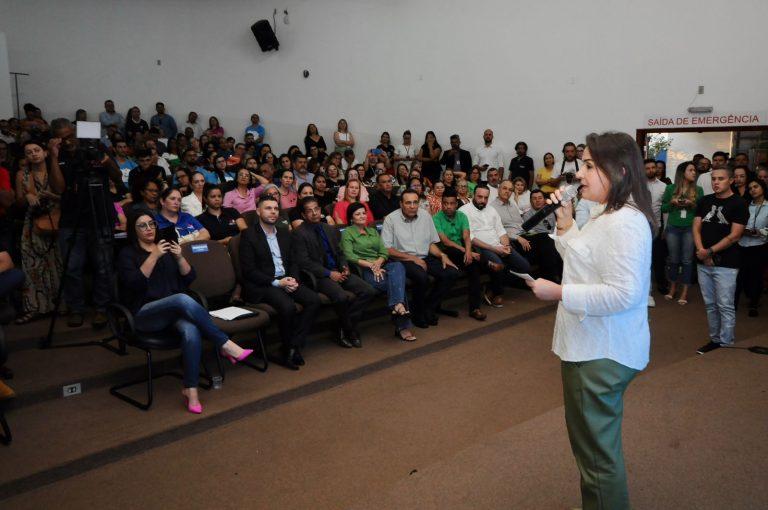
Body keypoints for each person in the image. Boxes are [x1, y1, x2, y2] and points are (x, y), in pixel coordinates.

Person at [525, 131, 656, 510]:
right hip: (592, 345)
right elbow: (585, 262)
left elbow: (623, 294)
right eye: (581, 164)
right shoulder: (608, 214)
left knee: (597, 461)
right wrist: (564, 223)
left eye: (587, 165)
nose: (578, 174)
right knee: (593, 454)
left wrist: (560, 293)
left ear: (616, 171)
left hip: (600, 354)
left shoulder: (624, 222)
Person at [117, 213, 253, 414]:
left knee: (191, 330)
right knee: (181, 299)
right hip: (144, 315)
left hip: (172, 313)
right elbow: (134, 284)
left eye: (151, 224)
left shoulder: (165, 247)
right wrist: (154, 255)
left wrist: (179, 256)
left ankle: (191, 389)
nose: (148, 228)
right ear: (134, 230)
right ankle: (224, 343)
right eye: (142, 225)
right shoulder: (127, 254)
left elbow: (189, 277)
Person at [48, 119, 118, 328]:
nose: (68, 142)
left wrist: (104, 160)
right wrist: (53, 155)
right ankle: (76, 308)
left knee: (103, 265)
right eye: (62, 139)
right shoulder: (58, 156)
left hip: (100, 214)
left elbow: (117, 177)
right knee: (72, 267)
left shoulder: (96, 148)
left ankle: (102, 309)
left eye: (70, 136)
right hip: (72, 218)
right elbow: (59, 188)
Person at [239, 196, 321, 370]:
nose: (273, 212)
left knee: (313, 300)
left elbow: (294, 261)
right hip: (264, 285)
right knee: (288, 306)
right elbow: (249, 271)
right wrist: (278, 283)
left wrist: (292, 278)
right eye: (268, 208)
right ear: (258, 211)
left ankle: (292, 346)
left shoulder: (284, 233)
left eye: (276, 208)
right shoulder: (248, 235)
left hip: (286, 279)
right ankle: (290, 348)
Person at [293, 197, 377, 347]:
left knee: (368, 291)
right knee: (341, 296)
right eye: (309, 211)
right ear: (303, 215)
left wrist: (344, 266)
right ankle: (349, 331)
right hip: (319, 276)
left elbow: (340, 253)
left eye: (316, 209)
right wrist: (329, 274)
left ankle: (341, 326)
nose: (314, 213)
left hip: (339, 271)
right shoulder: (299, 234)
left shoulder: (329, 229)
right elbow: (304, 262)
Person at [382, 190, 460, 328]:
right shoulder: (390, 219)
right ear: (401, 204)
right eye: (408, 203)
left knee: (451, 272)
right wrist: (412, 258)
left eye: (415, 202)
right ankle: (418, 314)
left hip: (425, 256)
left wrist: (442, 255)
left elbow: (431, 243)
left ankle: (428, 307)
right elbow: (387, 249)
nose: (412, 206)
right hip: (402, 259)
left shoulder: (425, 216)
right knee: (421, 276)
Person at [341, 202, 416, 341]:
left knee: (398, 266)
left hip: (381, 265)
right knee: (397, 285)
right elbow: (349, 256)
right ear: (351, 218)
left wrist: (378, 262)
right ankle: (402, 325)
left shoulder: (373, 231)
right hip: (364, 269)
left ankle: (398, 306)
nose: (362, 216)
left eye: (363, 213)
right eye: (357, 214)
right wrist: (371, 265)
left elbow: (383, 251)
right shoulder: (348, 233)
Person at [693, 167, 748, 354]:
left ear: (731, 180)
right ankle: (715, 339)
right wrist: (701, 251)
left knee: (724, 304)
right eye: (713, 179)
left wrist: (709, 251)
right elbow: (696, 228)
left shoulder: (739, 203)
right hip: (703, 259)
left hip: (727, 263)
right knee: (710, 304)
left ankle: (726, 341)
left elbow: (735, 235)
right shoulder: (705, 200)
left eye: (721, 179)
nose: (716, 182)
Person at [14, 140, 63, 324]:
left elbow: (65, 196)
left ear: (45, 152)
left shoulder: (54, 170)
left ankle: (60, 305)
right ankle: (35, 307)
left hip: (55, 221)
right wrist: (26, 196)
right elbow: (17, 203)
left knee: (57, 263)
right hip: (32, 223)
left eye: (36, 150)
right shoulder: (21, 174)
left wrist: (52, 196)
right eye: (29, 152)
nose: (33, 154)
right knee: (32, 265)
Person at [461, 185, 530, 307]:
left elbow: (501, 231)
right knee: (499, 266)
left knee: (524, 267)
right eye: (479, 197)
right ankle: (497, 292)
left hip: (499, 245)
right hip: (482, 248)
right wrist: (495, 249)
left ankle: (492, 285)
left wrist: (506, 246)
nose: (483, 200)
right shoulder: (464, 211)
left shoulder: (491, 210)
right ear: (473, 196)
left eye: (485, 198)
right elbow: (470, 238)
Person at [433, 188, 487, 320]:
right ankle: (487, 263)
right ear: (442, 203)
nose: (448, 206)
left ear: (456, 204)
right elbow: (445, 242)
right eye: (446, 203)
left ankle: (474, 308)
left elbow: (466, 237)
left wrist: (469, 252)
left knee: (473, 268)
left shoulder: (462, 216)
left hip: (461, 251)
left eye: (452, 203)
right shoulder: (436, 218)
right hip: (445, 253)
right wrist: (468, 252)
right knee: (460, 253)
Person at [661, 161, 703, 305]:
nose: (694, 173)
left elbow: (702, 211)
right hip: (673, 227)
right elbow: (663, 209)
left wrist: (692, 204)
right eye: (691, 170)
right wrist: (672, 203)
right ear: (682, 172)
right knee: (673, 259)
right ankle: (672, 288)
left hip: (690, 229)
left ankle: (684, 292)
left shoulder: (699, 189)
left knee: (686, 261)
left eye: (694, 170)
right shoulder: (670, 188)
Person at [736, 178, 768, 317]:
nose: (753, 190)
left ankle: (754, 304)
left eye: (756, 186)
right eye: (750, 188)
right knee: (738, 276)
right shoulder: (745, 205)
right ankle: (733, 303)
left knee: (756, 276)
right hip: (742, 244)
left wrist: (758, 232)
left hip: (759, 246)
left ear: (763, 188)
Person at [645, 158, 669, 304]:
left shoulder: (663, 187)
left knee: (657, 257)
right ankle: (645, 289)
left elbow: (665, 210)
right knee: (642, 258)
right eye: (647, 168)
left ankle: (661, 283)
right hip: (639, 225)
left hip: (656, 225)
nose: (651, 170)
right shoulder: (637, 186)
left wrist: (664, 227)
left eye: (653, 167)